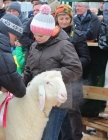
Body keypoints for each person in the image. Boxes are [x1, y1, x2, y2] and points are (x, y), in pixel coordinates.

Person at [23, 5, 82, 140]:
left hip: (56, 100)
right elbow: (28, 69)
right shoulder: (34, 46)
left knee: (48, 136)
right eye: (34, 34)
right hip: (39, 99)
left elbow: (75, 69)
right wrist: (19, 86)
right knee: (63, 131)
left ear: (50, 32)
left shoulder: (64, 45)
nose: (36, 38)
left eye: (40, 35)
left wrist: (50, 76)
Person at [53, 4, 91, 140]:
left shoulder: (78, 35)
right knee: (56, 108)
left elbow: (86, 57)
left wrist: (72, 67)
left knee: (73, 109)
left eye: (67, 18)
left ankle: (76, 136)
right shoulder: (51, 34)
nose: (64, 21)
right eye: (61, 18)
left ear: (71, 19)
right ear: (56, 19)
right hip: (55, 77)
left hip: (72, 77)